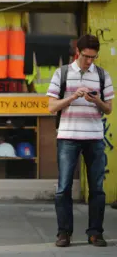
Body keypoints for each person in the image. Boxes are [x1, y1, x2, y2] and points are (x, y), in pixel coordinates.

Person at [47, 34, 114, 247]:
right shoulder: (62, 73)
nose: (89, 61)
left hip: (94, 138)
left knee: (97, 188)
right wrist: (73, 96)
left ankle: (95, 233)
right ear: (78, 51)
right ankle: (64, 233)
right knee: (63, 188)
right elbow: (51, 107)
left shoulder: (103, 75)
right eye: (86, 56)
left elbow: (109, 109)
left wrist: (96, 100)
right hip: (68, 137)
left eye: (93, 57)